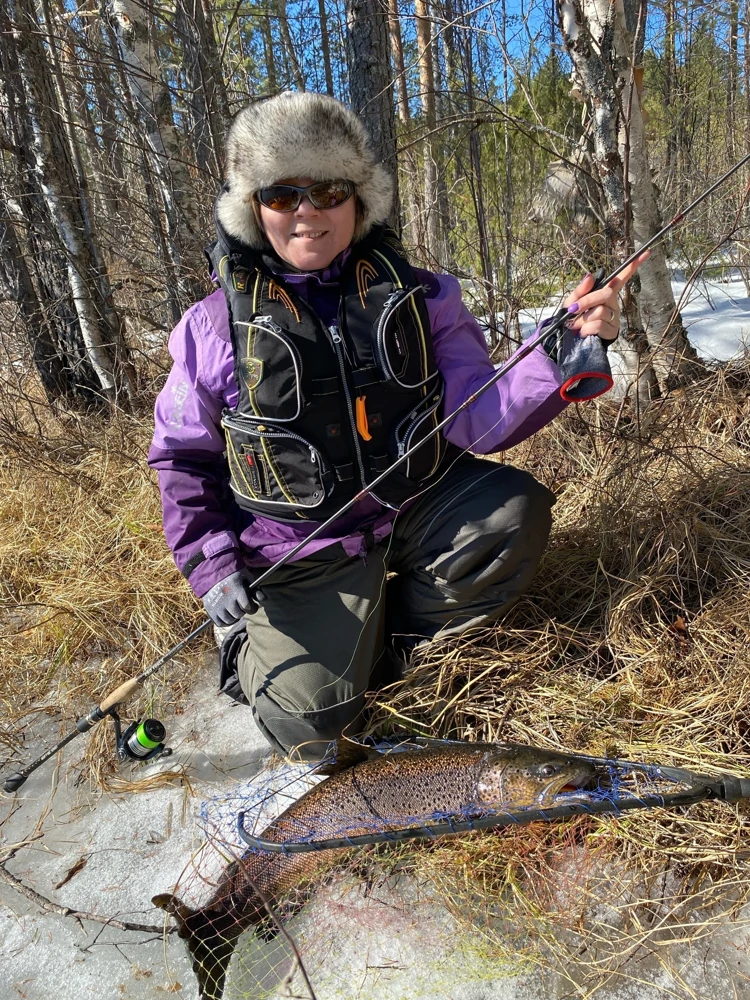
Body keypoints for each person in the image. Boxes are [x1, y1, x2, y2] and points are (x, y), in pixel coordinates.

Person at [148, 92, 646, 760]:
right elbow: (180, 460)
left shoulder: (426, 296)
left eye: (327, 190)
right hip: (297, 550)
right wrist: (212, 567)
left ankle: (403, 646)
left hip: (412, 507)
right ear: (250, 209)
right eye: (281, 194)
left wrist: (558, 349)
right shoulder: (210, 329)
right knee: (314, 724)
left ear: (359, 202)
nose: (306, 213)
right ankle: (262, 645)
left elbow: (479, 414)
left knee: (512, 510)